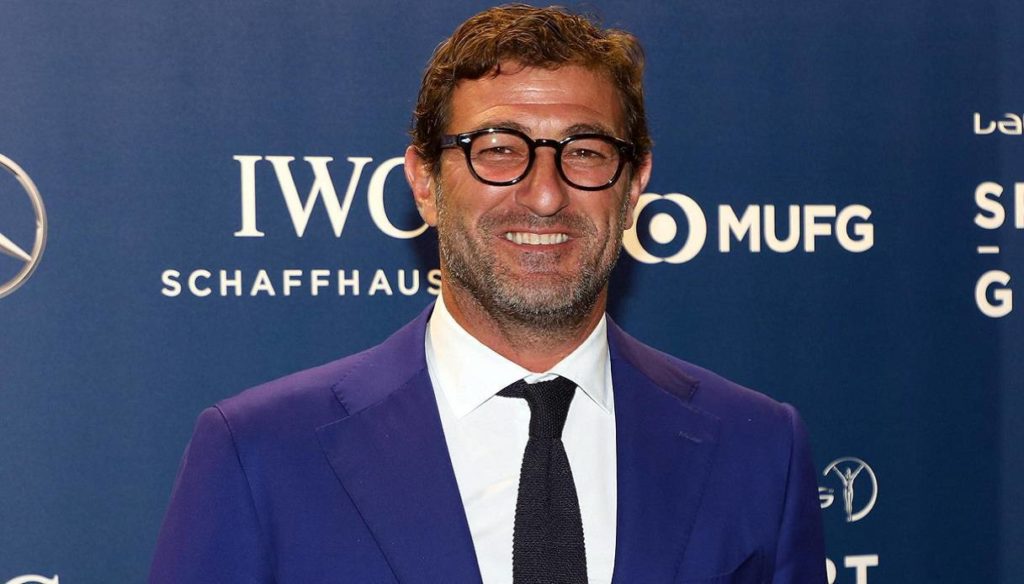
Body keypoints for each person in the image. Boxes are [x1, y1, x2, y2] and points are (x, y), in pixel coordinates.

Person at [149, 5, 825, 583]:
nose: (545, 194)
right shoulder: (261, 454)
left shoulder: (759, 447)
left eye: (585, 151)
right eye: (498, 149)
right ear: (424, 183)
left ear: (634, 185)